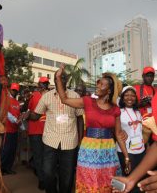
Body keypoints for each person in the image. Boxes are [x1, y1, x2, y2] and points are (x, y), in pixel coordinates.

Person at [55, 64, 129, 192]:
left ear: (109, 90)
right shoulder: (87, 101)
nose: (98, 85)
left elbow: (118, 134)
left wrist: (127, 157)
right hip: (89, 148)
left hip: (108, 150)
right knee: (89, 183)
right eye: (98, 83)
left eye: (102, 84)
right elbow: (64, 99)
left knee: (108, 182)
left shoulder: (115, 109)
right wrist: (58, 78)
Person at [27, 72, 84, 193]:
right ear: (54, 79)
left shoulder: (75, 96)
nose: (60, 80)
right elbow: (36, 115)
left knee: (67, 175)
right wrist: (28, 115)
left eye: (63, 77)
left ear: (67, 80)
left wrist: (80, 140)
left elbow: (79, 118)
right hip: (50, 141)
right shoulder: (46, 96)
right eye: (57, 78)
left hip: (70, 142)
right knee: (47, 172)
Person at [117, 86, 145, 193]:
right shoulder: (118, 112)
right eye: (127, 95)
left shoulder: (138, 112)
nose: (130, 98)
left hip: (140, 151)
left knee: (139, 180)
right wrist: (126, 157)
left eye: (133, 95)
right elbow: (117, 133)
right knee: (127, 181)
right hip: (126, 152)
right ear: (123, 98)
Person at [25, 76, 49, 190]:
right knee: (39, 156)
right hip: (35, 131)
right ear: (39, 85)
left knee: (46, 157)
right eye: (42, 83)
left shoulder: (52, 96)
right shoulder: (34, 95)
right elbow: (28, 109)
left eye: (46, 83)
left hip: (48, 131)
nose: (44, 85)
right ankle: (42, 179)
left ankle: (42, 175)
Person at [0, 83, 21, 175]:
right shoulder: (6, 100)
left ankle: (8, 168)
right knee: (6, 150)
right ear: (10, 89)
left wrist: (21, 123)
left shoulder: (17, 103)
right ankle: (1, 169)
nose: (14, 92)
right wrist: (15, 120)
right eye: (13, 90)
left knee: (12, 150)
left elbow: (18, 115)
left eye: (16, 90)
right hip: (7, 129)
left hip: (15, 130)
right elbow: (6, 113)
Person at [133, 66, 156, 145]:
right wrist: (140, 104)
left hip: (153, 123)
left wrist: (151, 103)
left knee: (153, 144)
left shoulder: (155, 90)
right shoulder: (136, 88)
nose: (149, 78)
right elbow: (130, 106)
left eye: (151, 76)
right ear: (143, 76)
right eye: (147, 75)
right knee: (141, 145)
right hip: (140, 123)